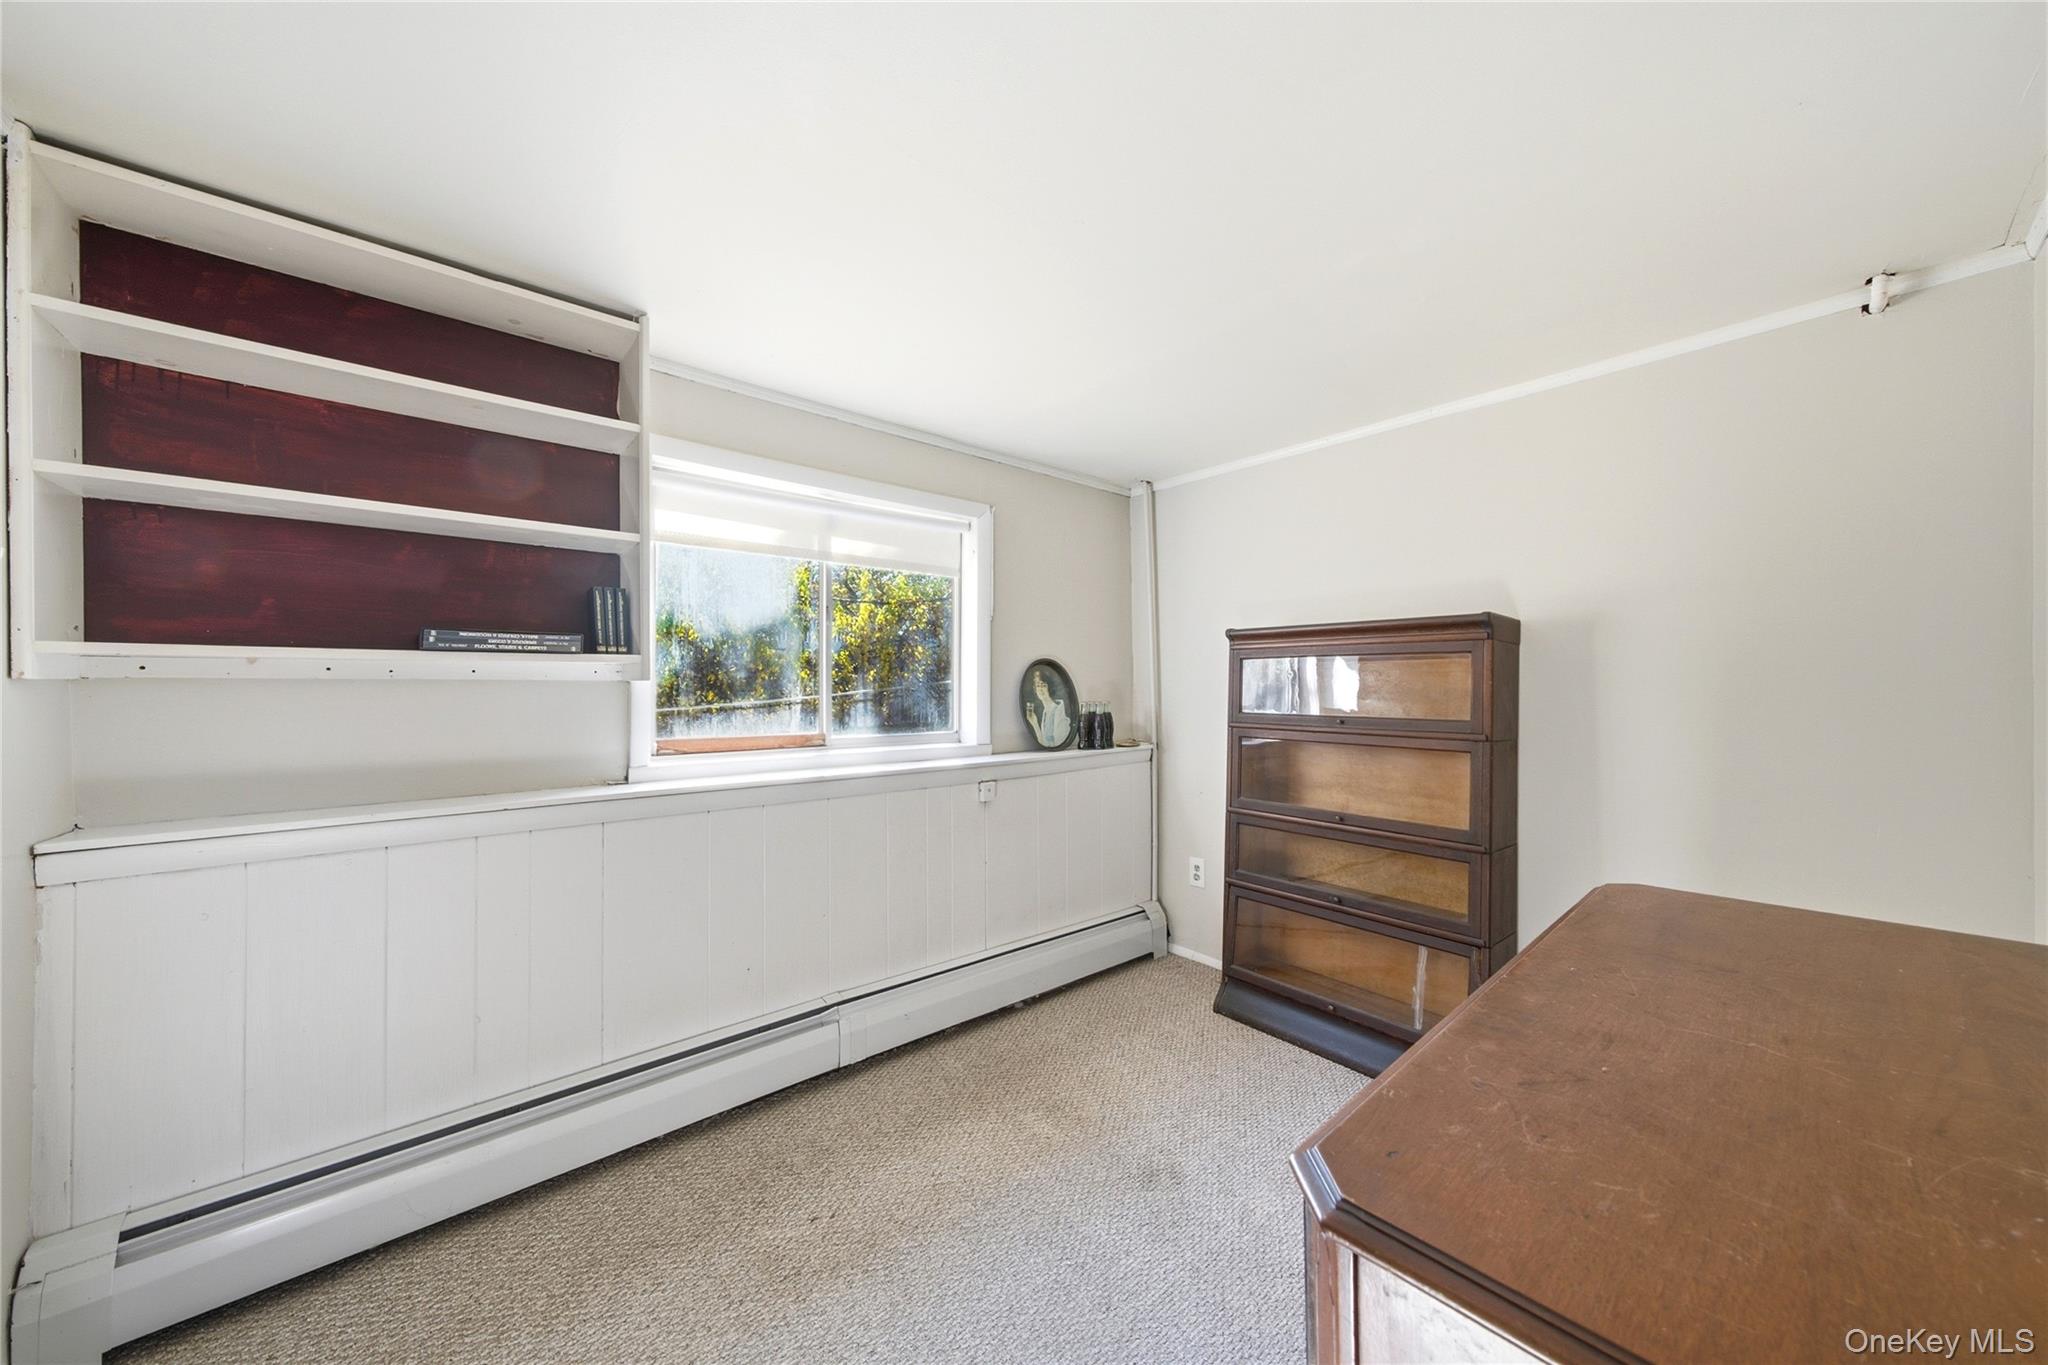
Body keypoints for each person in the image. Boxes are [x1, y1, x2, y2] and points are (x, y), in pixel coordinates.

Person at [1026, 668, 1072, 748]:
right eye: (1038, 685)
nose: (1040, 689)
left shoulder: (1058, 711)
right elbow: (1044, 744)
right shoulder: (1045, 712)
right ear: (1035, 690)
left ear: (1049, 687)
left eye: (1043, 685)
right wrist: (1035, 723)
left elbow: (1058, 745)